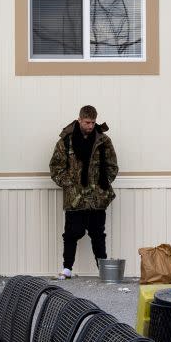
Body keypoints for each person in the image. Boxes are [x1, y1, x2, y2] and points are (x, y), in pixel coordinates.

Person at [49, 105, 119, 280]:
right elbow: (56, 167)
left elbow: (112, 166)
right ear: (79, 120)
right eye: (87, 122)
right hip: (75, 198)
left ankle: (103, 270)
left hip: (97, 198)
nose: (90, 126)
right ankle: (67, 269)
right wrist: (69, 184)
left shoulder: (103, 141)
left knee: (98, 234)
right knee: (72, 233)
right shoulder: (66, 141)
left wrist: (103, 184)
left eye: (93, 122)